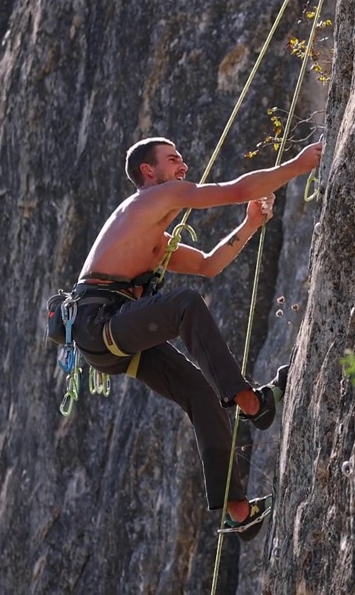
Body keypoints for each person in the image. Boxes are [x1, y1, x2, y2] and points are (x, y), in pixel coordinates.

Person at [68, 136, 324, 537]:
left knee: (200, 393)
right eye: (173, 160)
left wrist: (250, 224)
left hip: (108, 337)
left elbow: (208, 265)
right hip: (100, 321)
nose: (183, 166)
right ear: (148, 172)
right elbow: (236, 189)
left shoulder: (156, 237)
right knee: (185, 304)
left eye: (182, 159)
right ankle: (249, 401)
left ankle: (237, 512)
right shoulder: (150, 199)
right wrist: (297, 165)